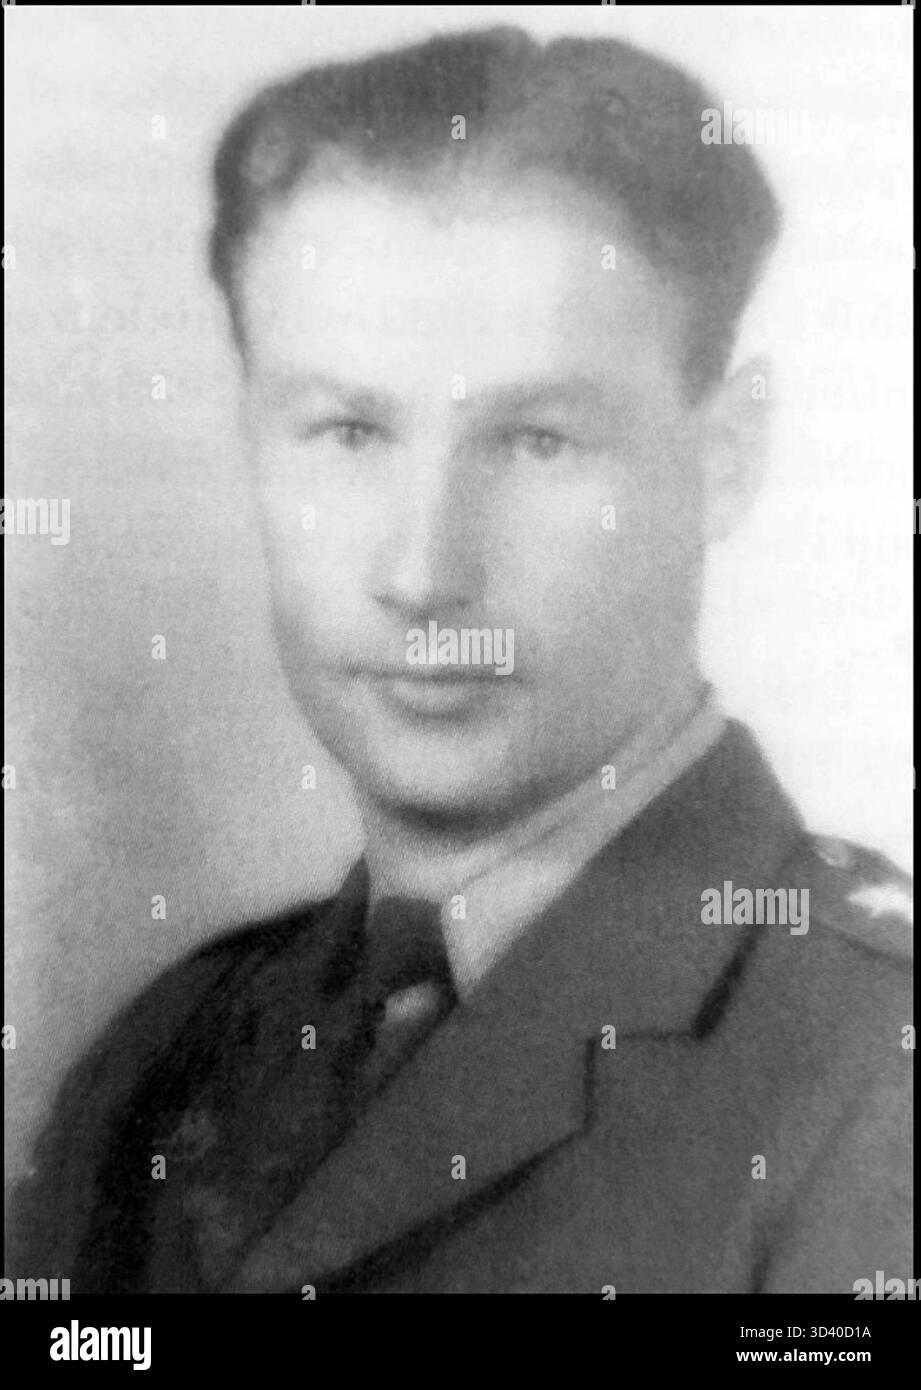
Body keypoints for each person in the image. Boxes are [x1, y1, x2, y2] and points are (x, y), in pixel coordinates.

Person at [8, 26, 911, 1295]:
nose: (425, 574)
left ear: (726, 456)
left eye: (537, 440)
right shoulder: (153, 1075)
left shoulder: (877, 1074)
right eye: (346, 430)